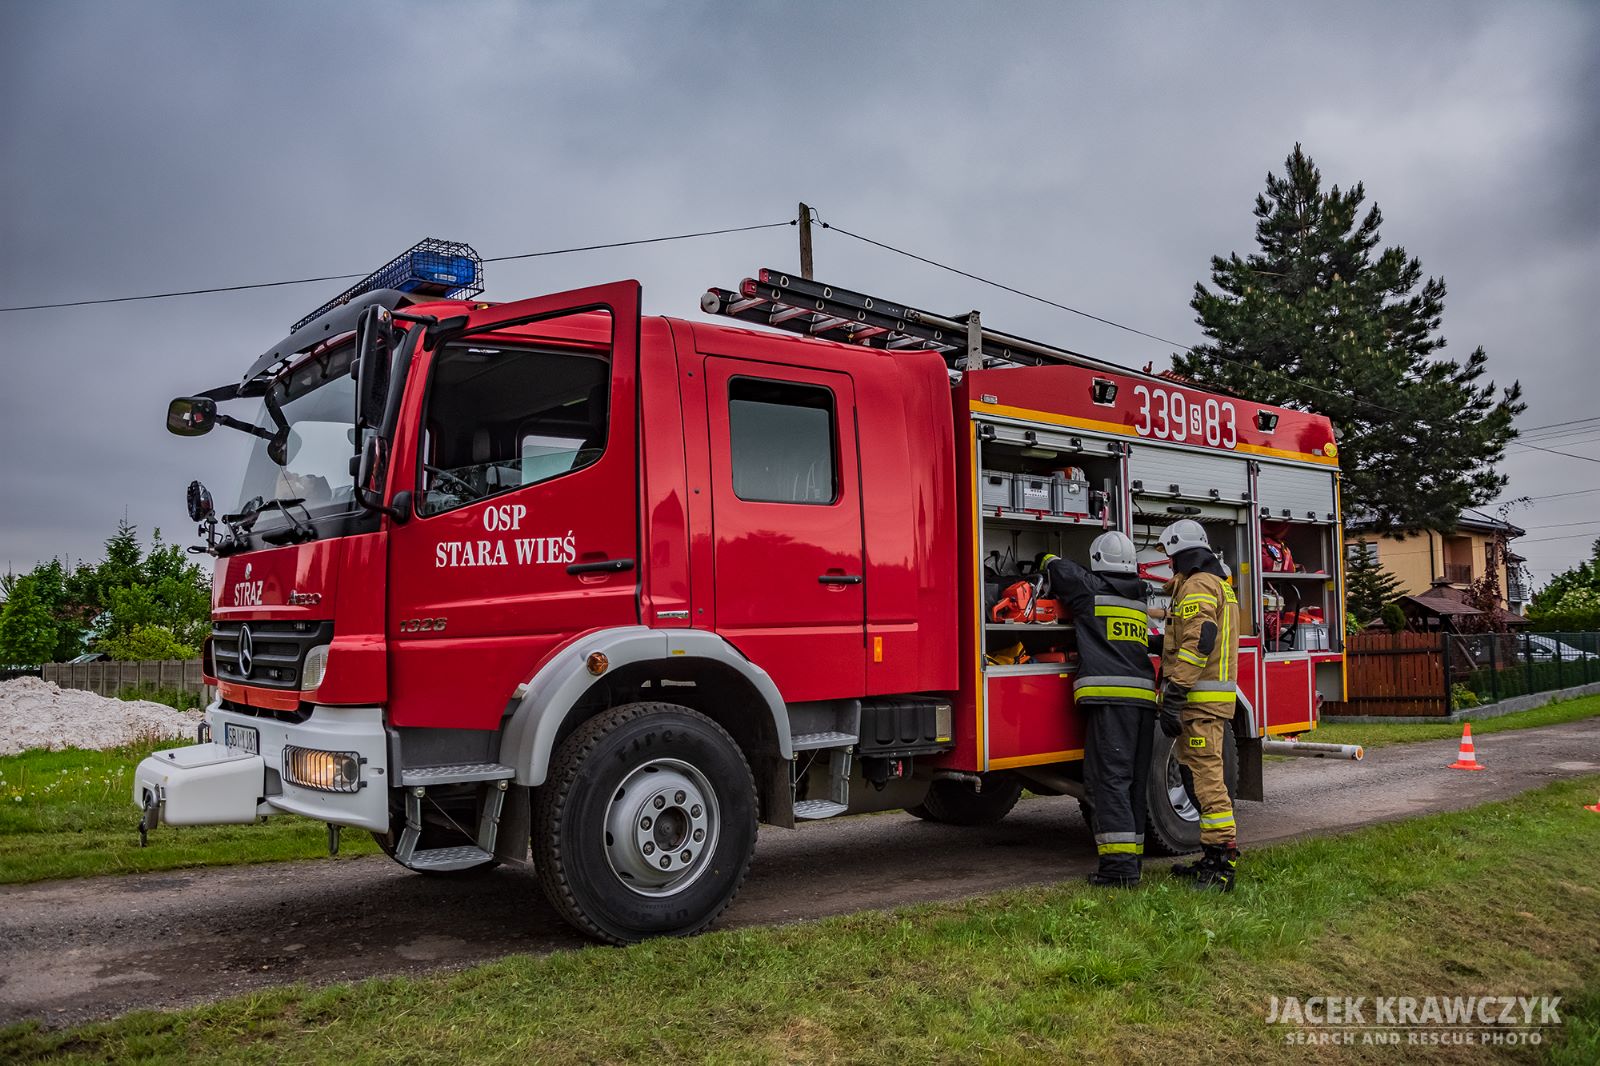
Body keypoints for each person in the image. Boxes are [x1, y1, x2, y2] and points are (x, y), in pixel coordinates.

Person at [1041, 531, 1157, 887]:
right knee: (1133, 784)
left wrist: (1045, 559)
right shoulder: (1138, 599)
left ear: (1097, 561)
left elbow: (1059, 568)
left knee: (1110, 782)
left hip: (1112, 702)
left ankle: (1119, 870)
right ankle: (1132, 862)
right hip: (1143, 700)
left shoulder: (1090, 590)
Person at [1155, 519, 1241, 892]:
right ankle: (1211, 858)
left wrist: (1175, 693)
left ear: (1181, 553)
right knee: (1199, 776)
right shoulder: (1216, 584)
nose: (1169, 563)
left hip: (1199, 701)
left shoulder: (1198, 585)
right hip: (1208, 701)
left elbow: (1199, 641)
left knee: (1206, 781)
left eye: (1170, 556)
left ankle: (1222, 866)